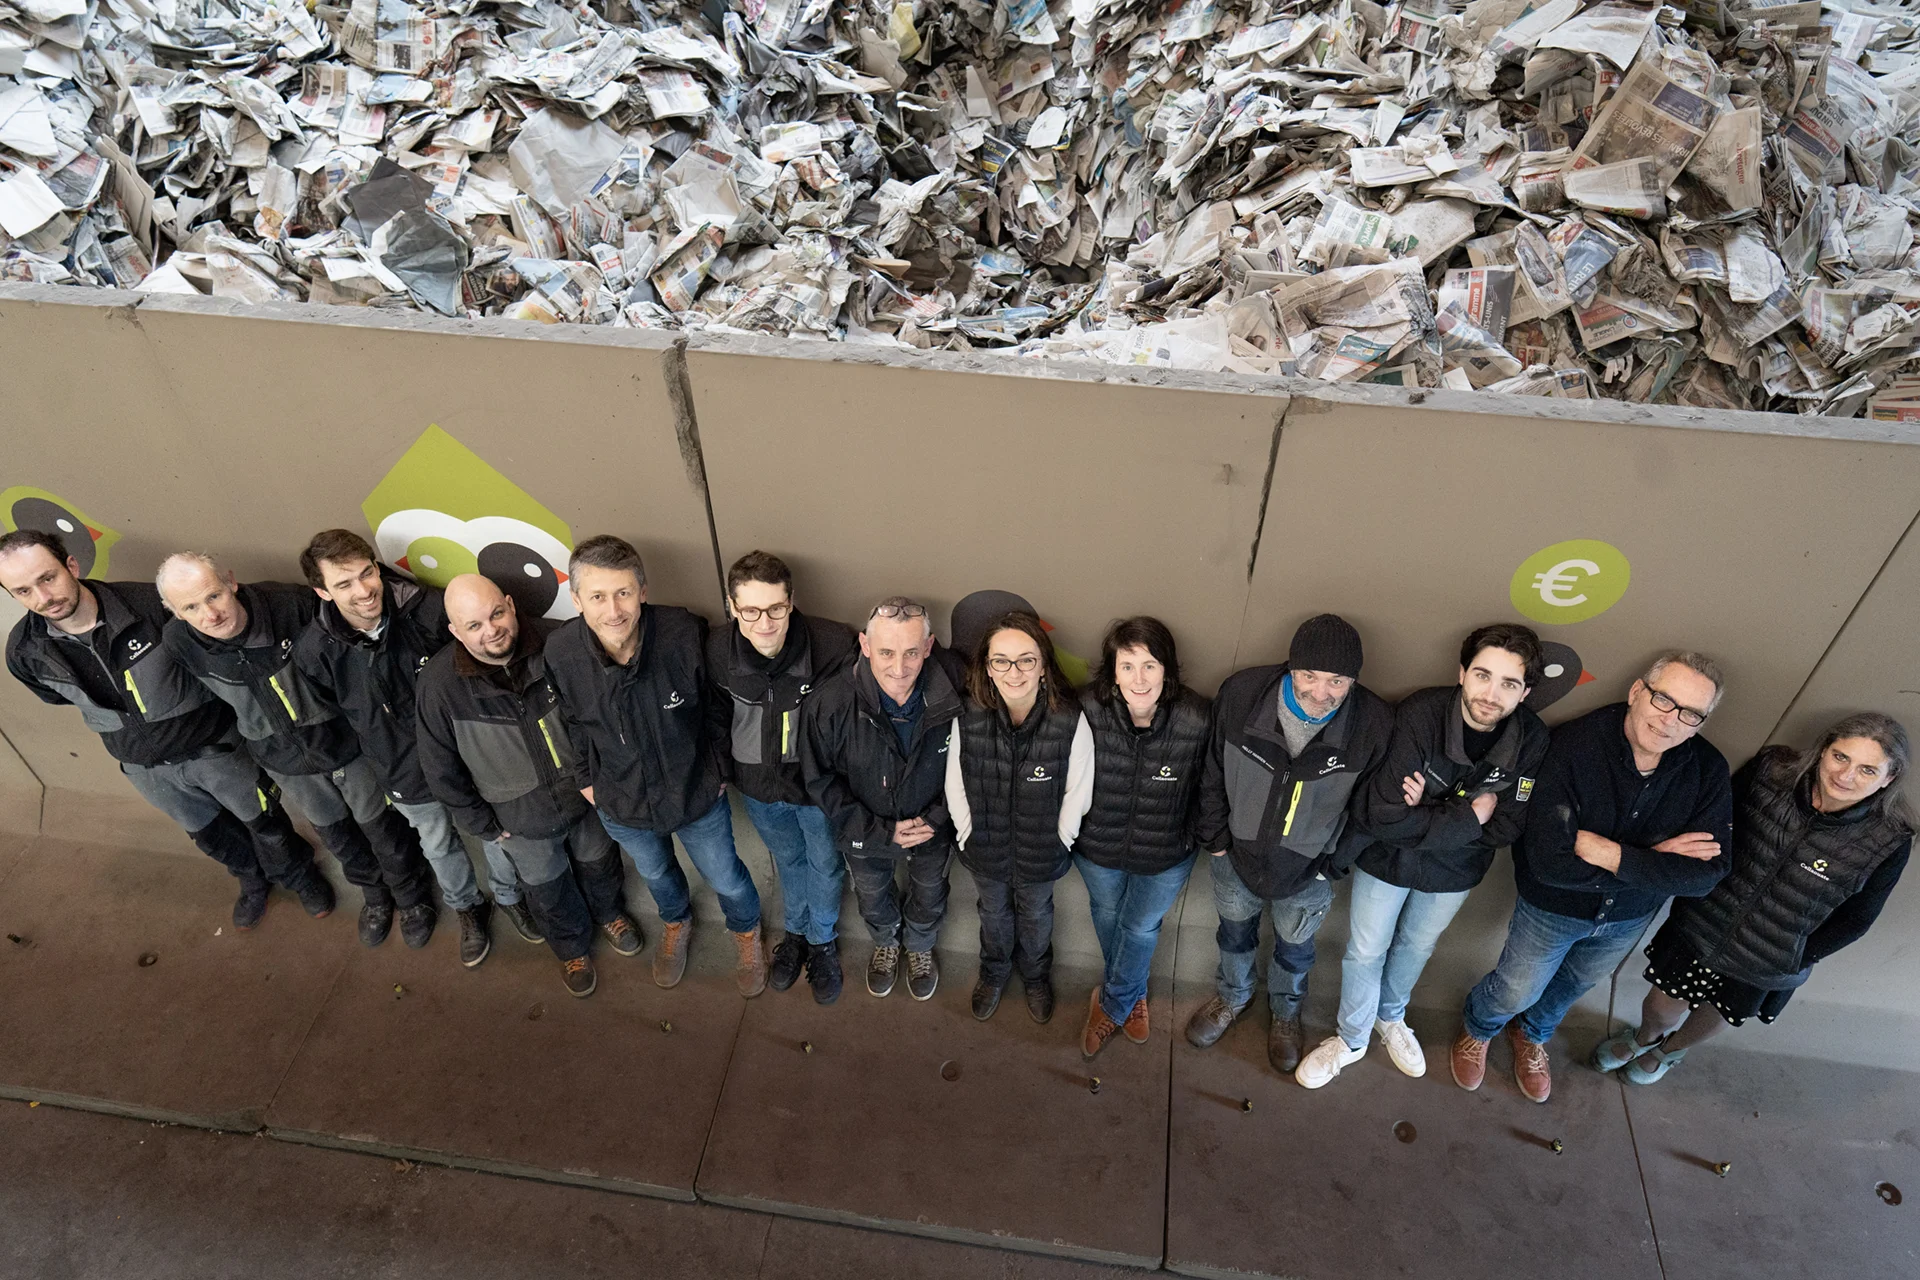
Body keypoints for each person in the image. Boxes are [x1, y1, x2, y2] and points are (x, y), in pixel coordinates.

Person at [1, 530, 327, 928]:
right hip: (144, 767)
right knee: (209, 836)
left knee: (265, 821)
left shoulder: (147, 607)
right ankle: (251, 880)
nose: (42, 597)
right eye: (22, 591)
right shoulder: (24, 652)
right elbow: (58, 698)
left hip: (214, 747)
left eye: (47, 578)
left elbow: (216, 638)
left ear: (71, 565)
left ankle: (300, 876)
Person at [1452, 651, 1734, 1104]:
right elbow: (1548, 862)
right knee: (1514, 987)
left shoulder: (1708, 769)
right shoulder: (1571, 746)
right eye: (1664, 700)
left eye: (1690, 713)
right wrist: (1656, 864)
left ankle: (1532, 1035)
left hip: (1628, 919)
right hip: (1552, 907)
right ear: (1637, 692)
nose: (1671, 721)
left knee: (1573, 986)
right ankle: (1478, 1029)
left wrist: (1608, 852)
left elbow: (1706, 876)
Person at [1296, 623, 1551, 1089]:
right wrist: (1467, 817)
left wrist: (1427, 810)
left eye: (1509, 684)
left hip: (1455, 873)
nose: (1491, 694)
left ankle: (1390, 1017)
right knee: (1366, 950)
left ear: (1525, 692)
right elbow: (1383, 813)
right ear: (1462, 673)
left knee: (1417, 946)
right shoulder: (1420, 713)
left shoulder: (1532, 740)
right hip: (1387, 859)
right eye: (1482, 675)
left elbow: (1508, 826)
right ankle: (1351, 1039)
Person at [1592, 713, 1913, 1083]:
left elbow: (1859, 918)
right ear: (1824, 750)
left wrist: (1796, 956)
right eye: (1841, 757)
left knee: (1717, 1015)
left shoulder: (1889, 840)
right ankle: (1646, 1038)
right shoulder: (1771, 772)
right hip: (1702, 926)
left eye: (1868, 770)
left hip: (1769, 960)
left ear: (1888, 779)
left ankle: (1667, 1053)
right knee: (1660, 1005)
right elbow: (1712, 826)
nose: (1846, 776)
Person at [157, 552, 435, 948]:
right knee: (338, 835)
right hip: (286, 763)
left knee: (382, 827)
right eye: (191, 607)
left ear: (231, 582)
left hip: (345, 745)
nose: (210, 614)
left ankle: (412, 898)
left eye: (214, 596)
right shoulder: (180, 642)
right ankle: (374, 898)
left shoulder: (293, 606)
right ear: (174, 611)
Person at [294, 529, 537, 969]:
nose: (364, 590)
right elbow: (335, 713)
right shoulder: (316, 652)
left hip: (469, 758)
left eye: (367, 573)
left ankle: (509, 896)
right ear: (322, 592)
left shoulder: (425, 609)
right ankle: (467, 908)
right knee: (438, 843)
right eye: (344, 584)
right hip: (400, 768)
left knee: (496, 833)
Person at [545, 535, 767, 997]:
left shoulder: (684, 634)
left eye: (624, 592)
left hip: (695, 794)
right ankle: (675, 921)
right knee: (657, 874)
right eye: (598, 597)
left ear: (643, 591)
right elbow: (568, 722)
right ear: (576, 599)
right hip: (621, 802)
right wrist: (588, 783)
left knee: (725, 874)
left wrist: (717, 771)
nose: (613, 611)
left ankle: (746, 932)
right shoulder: (562, 652)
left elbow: (716, 708)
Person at [1186, 614, 1393, 1075]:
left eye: (1337, 681)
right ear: (1290, 668)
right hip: (1234, 857)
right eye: (1309, 676)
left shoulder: (1374, 724)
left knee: (1294, 949)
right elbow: (1212, 770)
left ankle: (1285, 1013)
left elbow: (1368, 811)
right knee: (1234, 935)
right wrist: (1216, 840)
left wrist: (1332, 866)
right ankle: (1232, 997)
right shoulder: (1242, 695)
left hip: (1309, 871)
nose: (1321, 694)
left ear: (1353, 680)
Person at [415, 574, 639, 997]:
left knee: (600, 862)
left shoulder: (561, 645)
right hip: (516, 818)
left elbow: (604, 716)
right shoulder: (439, 686)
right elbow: (439, 765)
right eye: (474, 626)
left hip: (585, 799)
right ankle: (571, 947)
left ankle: (610, 913)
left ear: (511, 605)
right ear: (455, 632)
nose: (492, 630)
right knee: (546, 889)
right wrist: (482, 824)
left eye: (496, 614)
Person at [706, 550, 858, 1003]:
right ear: (732, 607)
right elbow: (713, 716)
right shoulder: (716, 650)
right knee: (788, 862)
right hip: (757, 789)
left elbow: (847, 722)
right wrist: (723, 770)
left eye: (776, 608)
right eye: (749, 611)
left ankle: (823, 941)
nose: (764, 623)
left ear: (792, 602)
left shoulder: (832, 645)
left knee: (825, 864)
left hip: (816, 790)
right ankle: (795, 933)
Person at [803, 597, 966, 1002]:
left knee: (930, 891)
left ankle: (921, 946)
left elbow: (972, 766)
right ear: (865, 645)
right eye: (887, 652)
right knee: (872, 893)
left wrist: (939, 818)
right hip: (865, 831)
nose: (899, 668)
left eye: (912, 652)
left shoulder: (957, 694)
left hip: (933, 828)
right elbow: (819, 781)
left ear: (928, 648)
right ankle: (886, 941)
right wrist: (878, 830)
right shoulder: (830, 704)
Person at [945, 612, 1094, 1024]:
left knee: (1036, 914)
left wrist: (1061, 838)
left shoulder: (1068, 719)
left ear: (1043, 665)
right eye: (1001, 661)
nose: (1014, 672)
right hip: (984, 845)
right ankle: (993, 973)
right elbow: (954, 780)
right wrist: (965, 833)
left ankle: (1035, 976)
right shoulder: (968, 715)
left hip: (1042, 850)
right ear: (987, 667)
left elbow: (1078, 790)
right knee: (992, 912)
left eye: (1026, 660)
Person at [1072, 617, 1209, 1058]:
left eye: (1149, 665)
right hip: (1098, 847)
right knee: (1109, 915)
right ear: (1112, 670)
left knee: (1140, 927)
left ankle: (1112, 1006)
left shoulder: (1197, 717)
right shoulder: (1084, 710)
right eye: (1127, 665)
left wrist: (1196, 835)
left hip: (1167, 853)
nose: (1139, 678)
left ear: (1166, 668)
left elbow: (1211, 787)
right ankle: (1132, 994)